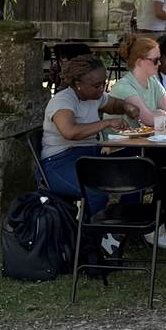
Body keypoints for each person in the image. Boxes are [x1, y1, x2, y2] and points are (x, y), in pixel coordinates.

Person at [39, 56, 131, 213]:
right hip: (59, 162)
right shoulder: (63, 101)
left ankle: (128, 218)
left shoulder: (94, 96)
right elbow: (69, 132)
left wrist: (129, 107)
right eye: (97, 85)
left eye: (103, 83)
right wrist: (106, 123)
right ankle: (94, 233)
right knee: (95, 189)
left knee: (134, 166)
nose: (102, 88)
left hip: (88, 156)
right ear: (77, 84)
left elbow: (114, 105)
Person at [108, 35, 166, 127]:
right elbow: (149, 120)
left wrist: (161, 114)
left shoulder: (152, 80)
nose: (159, 63)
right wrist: (163, 114)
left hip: (140, 139)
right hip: (118, 140)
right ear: (139, 62)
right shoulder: (124, 86)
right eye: (155, 60)